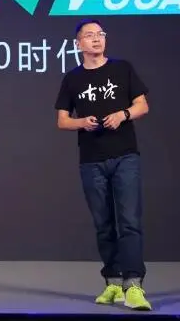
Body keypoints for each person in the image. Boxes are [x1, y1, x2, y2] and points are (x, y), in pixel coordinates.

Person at [54, 18, 152, 311]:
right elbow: (62, 121)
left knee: (129, 222)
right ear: (78, 44)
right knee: (103, 224)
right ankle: (113, 282)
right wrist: (82, 122)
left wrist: (123, 114)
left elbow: (142, 105)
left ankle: (133, 285)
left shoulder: (122, 69)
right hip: (91, 160)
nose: (97, 39)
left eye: (100, 34)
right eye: (90, 35)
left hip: (125, 156)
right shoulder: (72, 79)